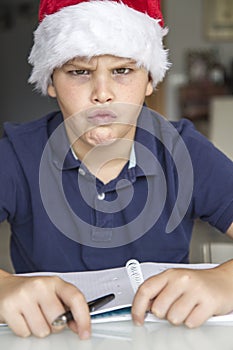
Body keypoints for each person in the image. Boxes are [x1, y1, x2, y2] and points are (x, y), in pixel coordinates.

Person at [0, 0, 233, 340]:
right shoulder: (16, 155)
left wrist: (226, 280)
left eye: (122, 71)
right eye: (79, 72)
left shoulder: (183, 151)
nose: (103, 94)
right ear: (51, 81)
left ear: (149, 79)